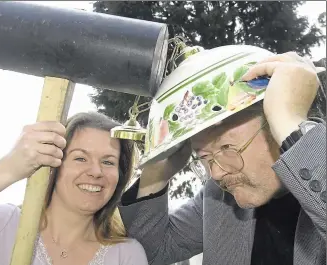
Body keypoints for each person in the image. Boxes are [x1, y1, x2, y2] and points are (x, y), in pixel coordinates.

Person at [118, 52, 326, 265]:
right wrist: (155, 175)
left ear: (274, 124)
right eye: (204, 157)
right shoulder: (218, 200)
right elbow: (150, 254)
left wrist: (291, 123)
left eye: (227, 147)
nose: (216, 173)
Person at [0, 112, 148, 265]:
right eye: (80, 158)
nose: (96, 171)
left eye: (108, 162)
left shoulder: (127, 255)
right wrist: (8, 167)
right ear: (54, 166)